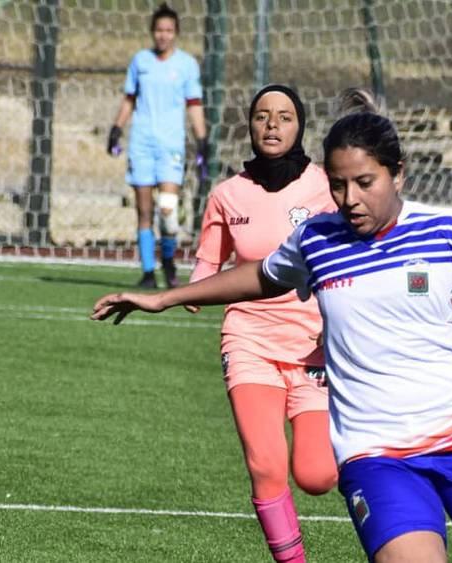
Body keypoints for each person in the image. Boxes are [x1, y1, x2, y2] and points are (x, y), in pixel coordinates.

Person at [91, 100, 452, 563]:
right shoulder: (316, 238)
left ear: (398, 174)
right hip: (378, 455)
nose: (350, 198)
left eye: (365, 182)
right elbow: (259, 278)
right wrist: (165, 297)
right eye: (340, 185)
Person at [190, 84, 337, 563]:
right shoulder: (227, 194)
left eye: (285, 116)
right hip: (249, 340)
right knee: (266, 466)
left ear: (301, 127)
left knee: (317, 475)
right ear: (249, 125)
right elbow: (209, 263)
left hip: (314, 347)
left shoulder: (327, 186)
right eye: (262, 116)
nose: (272, 125)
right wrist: (188, 292)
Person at [107, 3, 207, 289]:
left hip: (171, 144)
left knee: (169, 209)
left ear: (175, 33)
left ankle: (170, 262)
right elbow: (129, 99)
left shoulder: (186, 65)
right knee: (144, 210)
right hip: (141, 143)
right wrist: (116, 129)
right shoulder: (141, 61)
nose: (163, 35)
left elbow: (194, 104)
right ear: (153, 32)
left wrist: (202, 140)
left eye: (169, 30)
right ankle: (149, 272)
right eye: (159, 30)